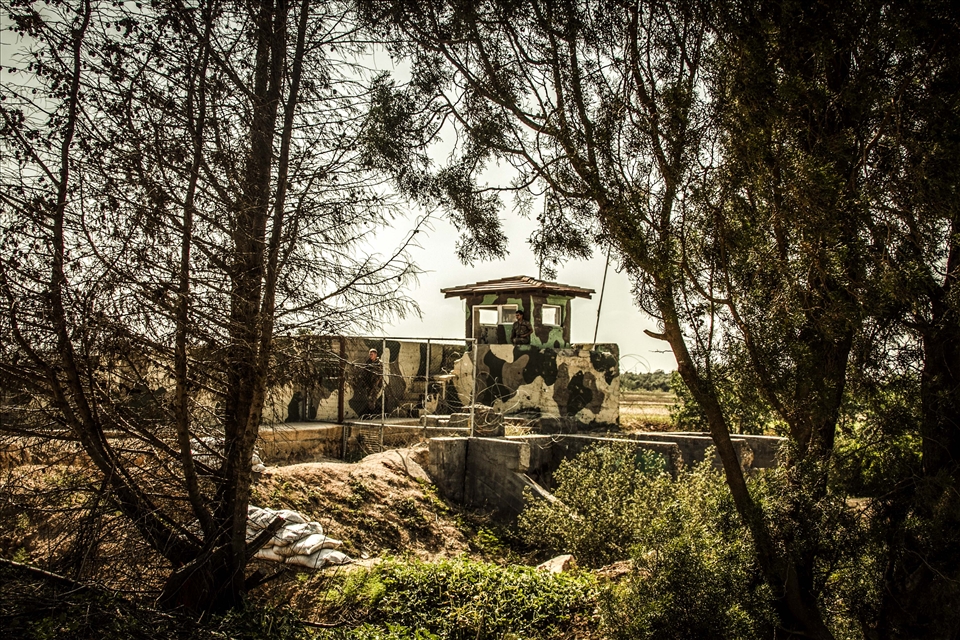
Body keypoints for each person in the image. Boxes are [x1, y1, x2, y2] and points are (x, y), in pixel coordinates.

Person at [361, 348, 383, 417]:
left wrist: (376, 385)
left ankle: (372, 414)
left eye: (372, 354)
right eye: (370, 354)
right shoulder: (368, 362)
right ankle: (373, 413)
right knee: (370, 399)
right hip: (369, 383)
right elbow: (365, 372)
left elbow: (380, 374)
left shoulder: (379, 363)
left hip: (376, 383)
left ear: (375, 354)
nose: (370, 356)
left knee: (372, 398)